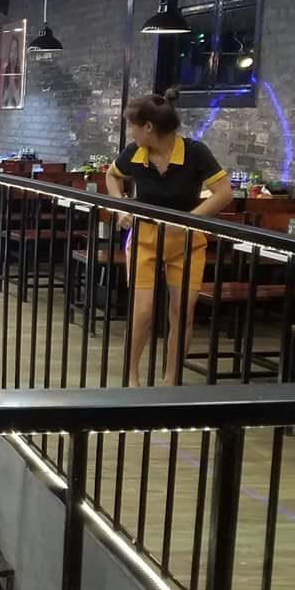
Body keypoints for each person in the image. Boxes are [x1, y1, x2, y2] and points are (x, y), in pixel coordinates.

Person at [105, 88, 233, 386]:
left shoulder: (195, 152)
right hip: (145, 236)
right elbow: (112, 176)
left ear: (148, 127)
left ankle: (171, 380)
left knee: (182, 312)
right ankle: (131, 377)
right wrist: (120, 206)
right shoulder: (134, 153)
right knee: (143, 311)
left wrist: (189, 222)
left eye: (132, 126)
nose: (130, 132)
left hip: (186, 241)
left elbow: (224, 192)